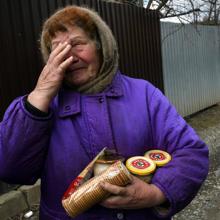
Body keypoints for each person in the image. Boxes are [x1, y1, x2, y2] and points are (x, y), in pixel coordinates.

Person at [0, 5, 208, 220]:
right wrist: (40, 95)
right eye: (58, 49)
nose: (69, 57)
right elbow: (11, 170)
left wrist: (157, 193)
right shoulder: (41, 106)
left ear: (102, 46)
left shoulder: (144, 94)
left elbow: (191, 152)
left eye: (78, 44)